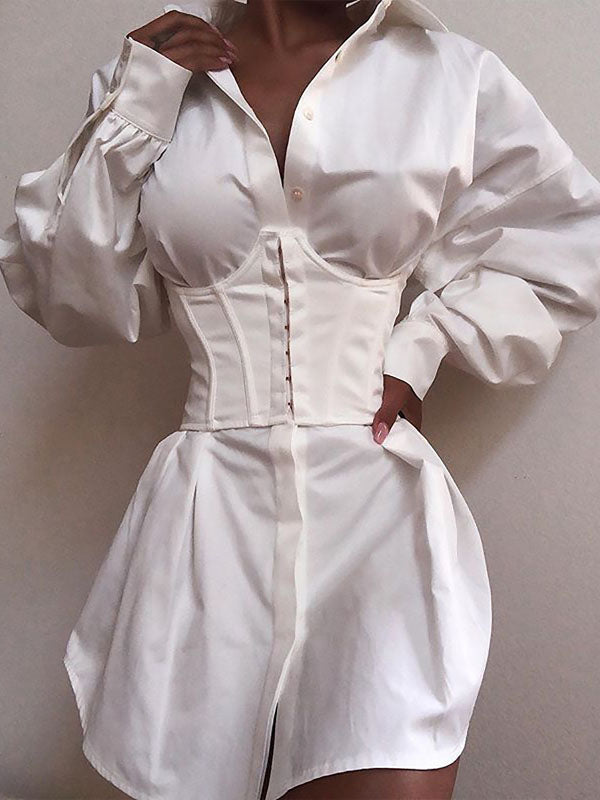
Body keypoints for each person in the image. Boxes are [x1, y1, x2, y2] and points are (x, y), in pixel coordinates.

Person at [2, 0, 600, 798]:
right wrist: (136, 105)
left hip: (376, 513)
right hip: (204, 520)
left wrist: (420, 348)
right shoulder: (152, 83)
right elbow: (67, 293)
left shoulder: (444, 75)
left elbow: (567, 243)